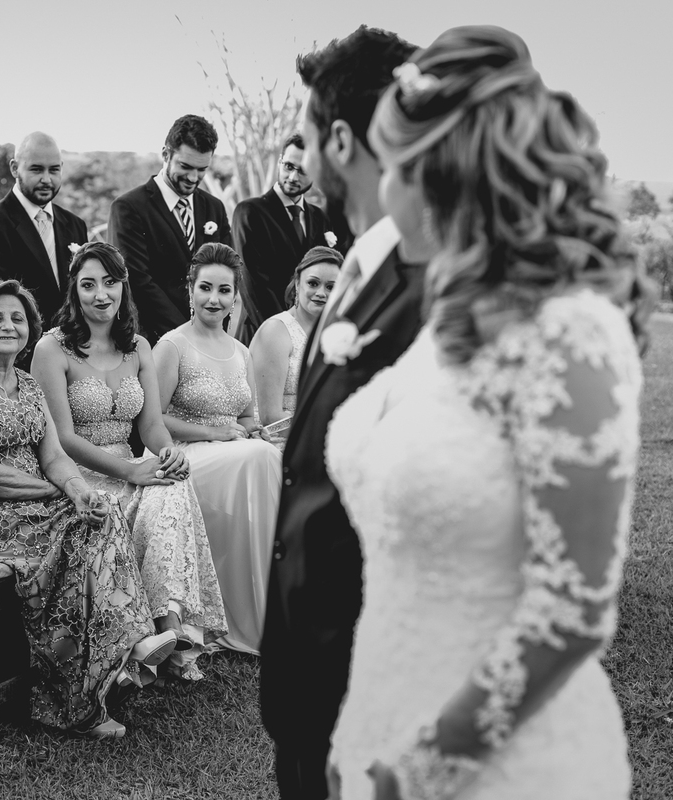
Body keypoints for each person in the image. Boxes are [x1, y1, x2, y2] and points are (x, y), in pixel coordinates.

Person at [325, 25, 652, 800]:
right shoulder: (448, 324)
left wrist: (414, 776)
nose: (376, 191)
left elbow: (571, 611)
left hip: (504, 768)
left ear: (436, 172)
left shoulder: (568, 333)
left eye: (390, 164)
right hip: (377, 723)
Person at [259, 27, 422, 800]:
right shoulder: (356, 265)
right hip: (309, 672)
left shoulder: (436, 291)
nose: (301, 156)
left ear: (344, 139)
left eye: (306, 135)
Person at [0, 278, 178, 739]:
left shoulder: (26, 383)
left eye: (17, 318)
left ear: (30, 329)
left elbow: (55, 457)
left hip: (29, 506)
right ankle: (99, 675)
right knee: (78, 534)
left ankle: (115, 656)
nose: (8, 326)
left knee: (101, 512)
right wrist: (56, 496)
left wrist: (79, 490)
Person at [31, 241, 228, 682]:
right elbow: (60, 437)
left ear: (123, 286)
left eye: (110, 282)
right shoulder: (53, 348)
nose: (101, 294)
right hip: (78, 475)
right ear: (74, 291)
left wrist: (166, 453)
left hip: (130, 463)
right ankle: (159, 637)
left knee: (174, 486)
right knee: (135, 497)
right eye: (88, 285)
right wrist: (132, 471)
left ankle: (169, 628)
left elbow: (152, 425)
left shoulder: (138, 345)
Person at [154, 243, 282, 654]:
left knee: (267, 454)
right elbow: (152, 422)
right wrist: (216, 434)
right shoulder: (172, 346)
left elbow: (248, 418)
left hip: (237, 457)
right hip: (184, 457)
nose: (215, 299)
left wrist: (252, 431)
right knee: (257, 459)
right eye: (205, 288)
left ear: (234, 298)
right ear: (189, 291)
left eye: (224, 291)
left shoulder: (241, 351)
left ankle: (269, 608)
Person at [107, 115, 233, 342]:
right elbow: (137, 281)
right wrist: (187, 333)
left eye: (202, 169)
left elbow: (228, 273)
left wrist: (212, 330)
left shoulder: (214, 207)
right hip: (154, 340)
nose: (193, 178)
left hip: (210, 338)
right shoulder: (128, 208)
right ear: (166, 154)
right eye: (185, 167)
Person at [0, 132, 88, 327]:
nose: (46, 179)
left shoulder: (75, 225)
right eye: (36, 170)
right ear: (14, 168)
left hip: (73, 348)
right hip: (20, 350)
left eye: (54, 170)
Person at [232, 134, 336, 344]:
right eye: (288, 166)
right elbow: (253, 287)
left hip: (309, 340)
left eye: (303, 170)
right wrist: (287, 337)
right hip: (262, 337)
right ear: (280, 162)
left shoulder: (320, 217)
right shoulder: (250, 212)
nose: (293, 177)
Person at [249, 246, 342, 440]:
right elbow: (270, 418)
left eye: (331, 287)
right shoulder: (276, 331)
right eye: (313, 283)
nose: (321, 293)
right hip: (278, 439)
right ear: (298, 284)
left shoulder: (336, 331)